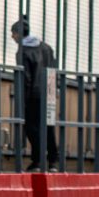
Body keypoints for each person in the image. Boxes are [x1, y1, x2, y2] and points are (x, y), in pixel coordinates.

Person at [12, 16, 61, 170]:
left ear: (19, 34)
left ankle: (38, 160)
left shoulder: (23, 51)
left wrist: (23, 99)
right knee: (49, 126)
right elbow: (53, 69)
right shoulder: (46, 47)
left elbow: (26, 77)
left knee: (32, 127)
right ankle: (53, 161)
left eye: (13, 33)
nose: (12, 37)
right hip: (49, 92)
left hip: (33, 94)